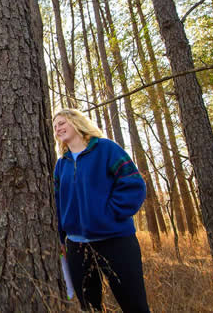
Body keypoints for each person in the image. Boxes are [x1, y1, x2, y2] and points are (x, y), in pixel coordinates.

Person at [52, 108, 150, 312]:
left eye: (61, 122)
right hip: (77, 247)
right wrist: (61, 238)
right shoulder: (62, 164)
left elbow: (133, 184)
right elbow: (57, 203)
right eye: (54, 126)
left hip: (115, 241)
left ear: (76, 122)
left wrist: (108, 215)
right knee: (89, 306)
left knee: (135, 305)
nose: (57, 128)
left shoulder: (106, 149)